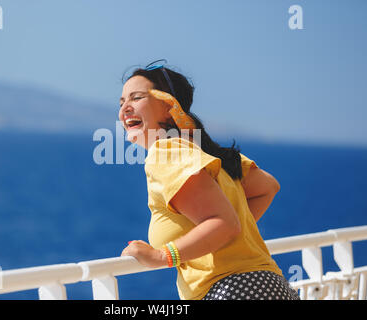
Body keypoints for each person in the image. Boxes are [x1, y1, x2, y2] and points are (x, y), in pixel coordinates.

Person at [119, 60, 300, 300]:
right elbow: (267, 187)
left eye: (136, 98)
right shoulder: (210, 155)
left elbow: (225, 223)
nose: (125, 108)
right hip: (271, 286)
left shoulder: (166, 152)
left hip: (232, 292)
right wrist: (215, 236)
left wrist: (162, 257)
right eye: (121, 102)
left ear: (168, 107)